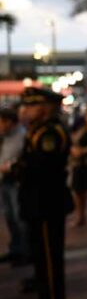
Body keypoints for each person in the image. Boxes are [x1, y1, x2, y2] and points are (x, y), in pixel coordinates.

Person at [13, 87, 71, 299]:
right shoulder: (38, 131)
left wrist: (18, 169)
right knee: (41, 254)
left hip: (48, 202)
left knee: (49, 256)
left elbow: (41, 169)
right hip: (39, 202)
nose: (26, 111)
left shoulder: (51, 133)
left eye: (32, 106)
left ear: (46, 108)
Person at [0, 107, 28, 266]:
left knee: (19, 218)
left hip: (15, 181)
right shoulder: (5, 136)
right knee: (10, 217)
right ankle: (15, 249)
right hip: (5, 181)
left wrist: (9, 166)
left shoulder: (21, 136)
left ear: (9, 122)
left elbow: (20, 161)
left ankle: (24, 251)